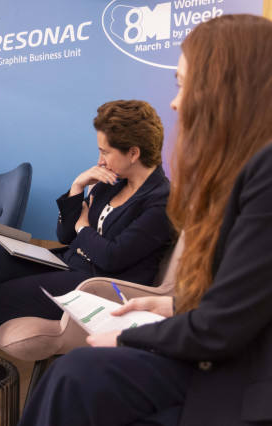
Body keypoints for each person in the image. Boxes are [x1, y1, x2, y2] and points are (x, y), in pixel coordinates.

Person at [19, 14, 272, 426]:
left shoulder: (259, 174)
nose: (176, 102)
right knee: (70, 373)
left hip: (239, 379)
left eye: (183, 84)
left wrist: (128, 336)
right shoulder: (234, 175)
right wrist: (170, 304)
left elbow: (223, 325)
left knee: (75, 374)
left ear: (227, 88)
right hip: (211, 351)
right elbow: (240, 298)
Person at [0, 100, 172, 338]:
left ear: (133, 153)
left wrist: (83, 227)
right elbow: (65, 235)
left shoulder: (161, 201)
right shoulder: (111, 181)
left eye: (105, 152)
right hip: (68, 264)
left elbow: (112, 258)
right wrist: (77, 187)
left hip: (96, 285)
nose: (100, 160)